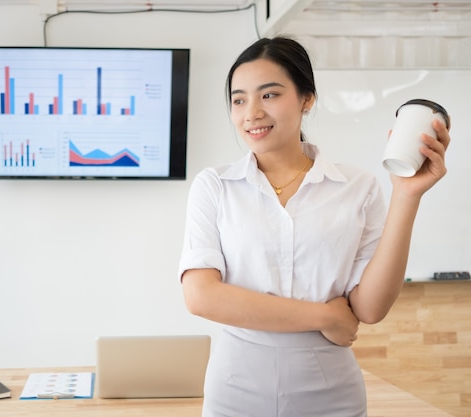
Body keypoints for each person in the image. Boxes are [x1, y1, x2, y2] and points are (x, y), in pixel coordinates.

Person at [178, 36, 450, 417]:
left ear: (307, 98)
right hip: (234, 392)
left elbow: (369, 309)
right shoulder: (215, 186)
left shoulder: (358, 188)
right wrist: (326, 316)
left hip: (331, 395)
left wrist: (407, 195)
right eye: (238, 100)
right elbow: (201, 296)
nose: (251, 112)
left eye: (269, 95)